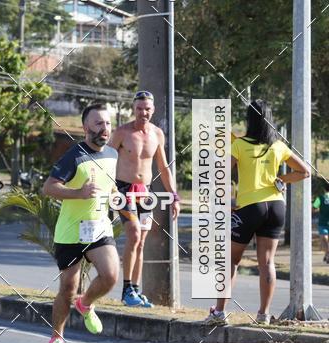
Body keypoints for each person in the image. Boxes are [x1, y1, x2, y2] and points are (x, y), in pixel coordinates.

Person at [205, 99, 310, 326]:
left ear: (249, 120)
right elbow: (304, 172)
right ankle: (263, 315)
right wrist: (281, 179)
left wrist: (225, 201)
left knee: (230, 260)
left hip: (250, 206)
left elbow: (220, 175)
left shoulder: (240, 145)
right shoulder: (278, 146)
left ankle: (219, 313)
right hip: (276, 206)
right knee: (267, 262)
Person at [42, 103, 119, 343]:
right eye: (99, 123)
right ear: (86, 128)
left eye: (107, 123)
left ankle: (85, 304)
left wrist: (116, 196)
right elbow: (49, 188)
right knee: (68, 288)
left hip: (99, 228)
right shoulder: (74, 156)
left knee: (110, 275)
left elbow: (110, 186)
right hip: (71, 232)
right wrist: (79, 193)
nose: (105, 128)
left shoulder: (112, 155)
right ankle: (57, 338)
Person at [110, 90, 180, 308]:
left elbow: (164, 167)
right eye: (139, 109)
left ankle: (135, 290)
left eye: (147, 109)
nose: (143, 113)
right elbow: (106, 161)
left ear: (153, 109)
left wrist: (174, 196)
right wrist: (108, 190)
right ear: (134, 109)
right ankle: (126, 290)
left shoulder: (157, 134)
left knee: (141, 242)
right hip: (123, 189)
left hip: (145, 192)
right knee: (133, 233)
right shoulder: (122, 132)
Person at [313, 181, 329, 264]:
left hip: (322, 222)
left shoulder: (320, 197)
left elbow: (314, 208)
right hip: (323, 223)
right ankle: (327, 254)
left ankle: (327, 254)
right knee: (326, 239)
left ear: (324, 189)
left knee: (324, 239)